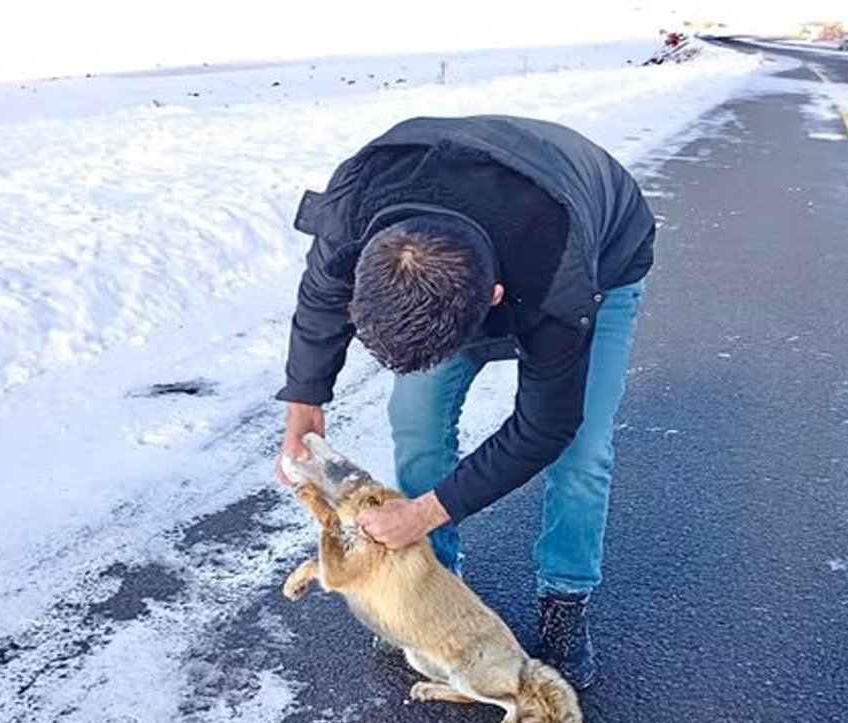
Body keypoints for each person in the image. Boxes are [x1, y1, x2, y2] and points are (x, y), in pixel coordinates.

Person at [276, 115, 653, 691]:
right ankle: (433, 580)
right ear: (362, 274)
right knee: (416, 420)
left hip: (603, 245)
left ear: (494, 300)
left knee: (582, 451)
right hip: (452, 227)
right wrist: (304, 401)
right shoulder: (353, 212)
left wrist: (424, 511)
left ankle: (565, 597)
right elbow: (319, 301)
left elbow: (545, 427)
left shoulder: (559, 272)